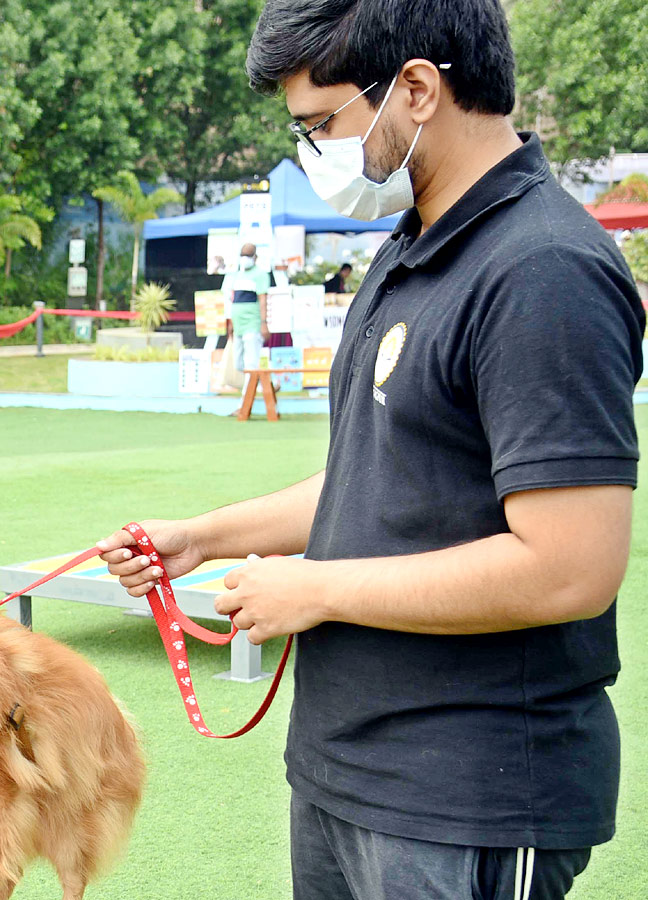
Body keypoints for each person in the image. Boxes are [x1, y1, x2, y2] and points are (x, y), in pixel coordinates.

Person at [97, 1, 644, 898]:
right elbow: (379, 474)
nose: (314, 155)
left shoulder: (542, 269)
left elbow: (570, 568)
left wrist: (313, 587)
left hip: (471, 796)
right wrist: (206, 536)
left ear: (418, 89)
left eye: (321, 125)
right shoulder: (411, 247)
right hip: (350, 771)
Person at [219, 242, 273, 377]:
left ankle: (247, 395)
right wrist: (230, 323)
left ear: (255, 257)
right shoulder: (236, 275)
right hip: (238, 325)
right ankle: (265, 383)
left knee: (251, 362)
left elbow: (262, 300)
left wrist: (263, 323)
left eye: (248, 255)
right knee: (238, 363)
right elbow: (232, 301)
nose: (245, 258)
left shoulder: (260, 275)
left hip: (252, 324)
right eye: (243, 255)